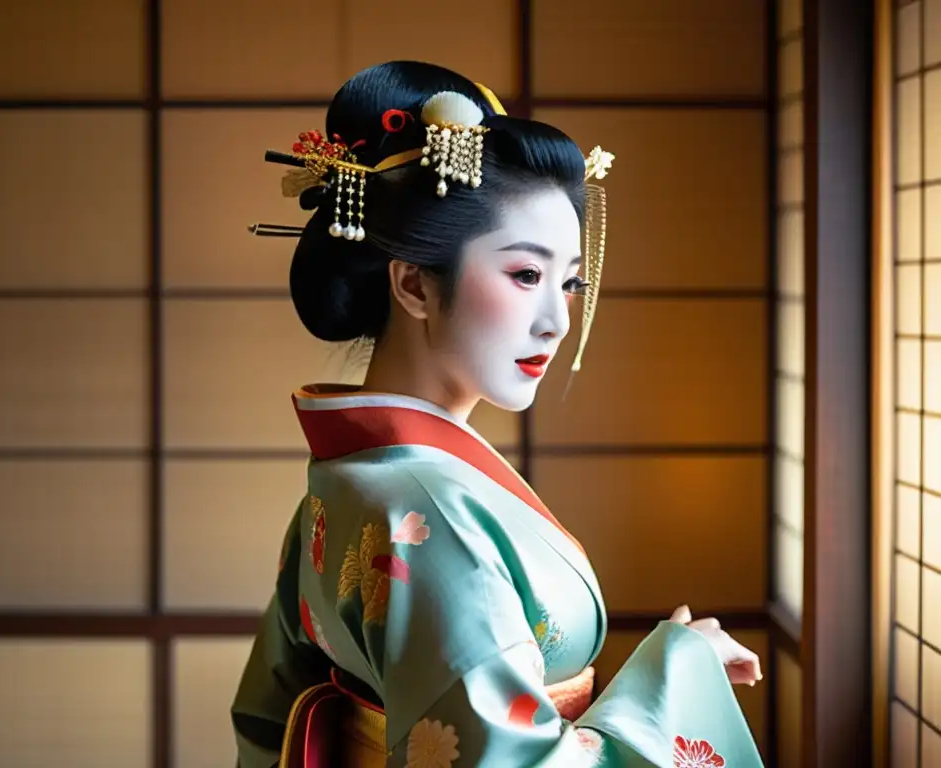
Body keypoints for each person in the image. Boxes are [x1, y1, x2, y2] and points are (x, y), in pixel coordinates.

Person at [232, 60, 765, 768]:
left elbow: (266, 718)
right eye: (524, 274)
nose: (555, 321)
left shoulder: (351, 479)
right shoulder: (428, 511)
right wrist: (678, 672)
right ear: (414, 283)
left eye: (569, 282)